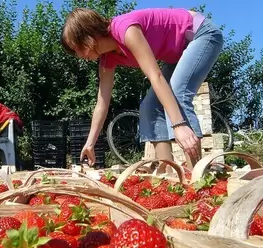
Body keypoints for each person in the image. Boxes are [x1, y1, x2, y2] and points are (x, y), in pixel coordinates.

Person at [60, 7, 223, 171]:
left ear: (88, 36)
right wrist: (90, 143)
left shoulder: (125, 29)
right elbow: (102, 102)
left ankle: (197, 176)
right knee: (149, 108)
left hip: (200, 34)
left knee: (177, 94)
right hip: (178, 54)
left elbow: (155, 76)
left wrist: (178, 125)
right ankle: (168, 174)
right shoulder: (107, 58)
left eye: (78, 48)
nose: (79, 56)